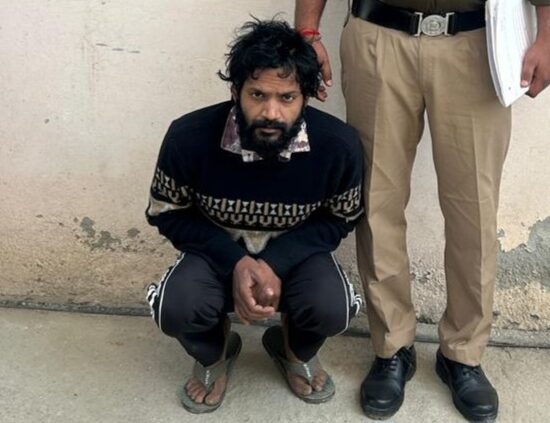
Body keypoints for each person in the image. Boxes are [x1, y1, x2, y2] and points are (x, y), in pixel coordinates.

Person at [295, 0, 550, 421]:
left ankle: (463, 353)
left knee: (474, 209)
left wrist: (546, 34)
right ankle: (392, 346)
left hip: (476, 42)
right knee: (378, 202)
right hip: (378, 34)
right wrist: (307, 31)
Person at [144, 19, 363, 414]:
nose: (271, 112)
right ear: (235, 91)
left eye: (287, 97)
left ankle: (294, 348)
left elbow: (341, 218)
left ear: (306, 98)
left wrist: (276, 263)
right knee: (175, 307)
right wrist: (236, 262)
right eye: (257, 94)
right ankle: (214, 353)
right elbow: (166, 212)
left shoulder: (338, 146)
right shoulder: (188, 136)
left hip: (297, 260)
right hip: (215, 259)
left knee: (333, 307)